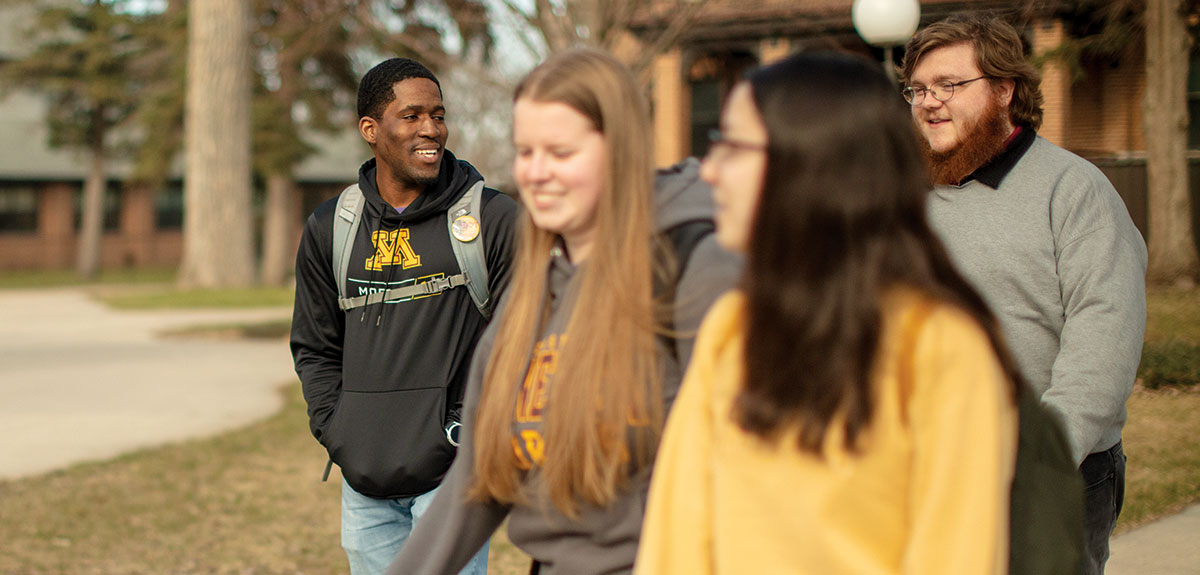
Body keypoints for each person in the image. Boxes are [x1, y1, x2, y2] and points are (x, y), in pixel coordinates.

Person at [636, 51, 1022, 574]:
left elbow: (958, 555)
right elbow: (676, 537)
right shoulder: (733, 326)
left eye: (733, 147)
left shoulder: (940, 345)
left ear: (811, 164)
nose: (710, 170)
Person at [385, 48, 740, 575]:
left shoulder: (698, 273)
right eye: (526, 152)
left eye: (561, 152)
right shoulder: (533, 291)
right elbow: (476, 477)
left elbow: (752, 477)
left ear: (619, 149)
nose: (538, 173)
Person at [901, 15, 1147, 574]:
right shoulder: (905, 198)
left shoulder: (1074, 191)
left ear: (1004, 89)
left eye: (949, 85)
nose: (928, 102)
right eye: (918, 89)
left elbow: (1103, 342)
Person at [290, 57, 517, 575]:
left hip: (454, 477)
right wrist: (339, 430)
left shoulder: (493, 219)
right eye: (411, 116)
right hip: (364, 482)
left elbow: (521, 341)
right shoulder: (333, 226)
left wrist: (467, 431)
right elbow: (315, 346)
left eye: (438, 115)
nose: (431, 129)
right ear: (371, 129)